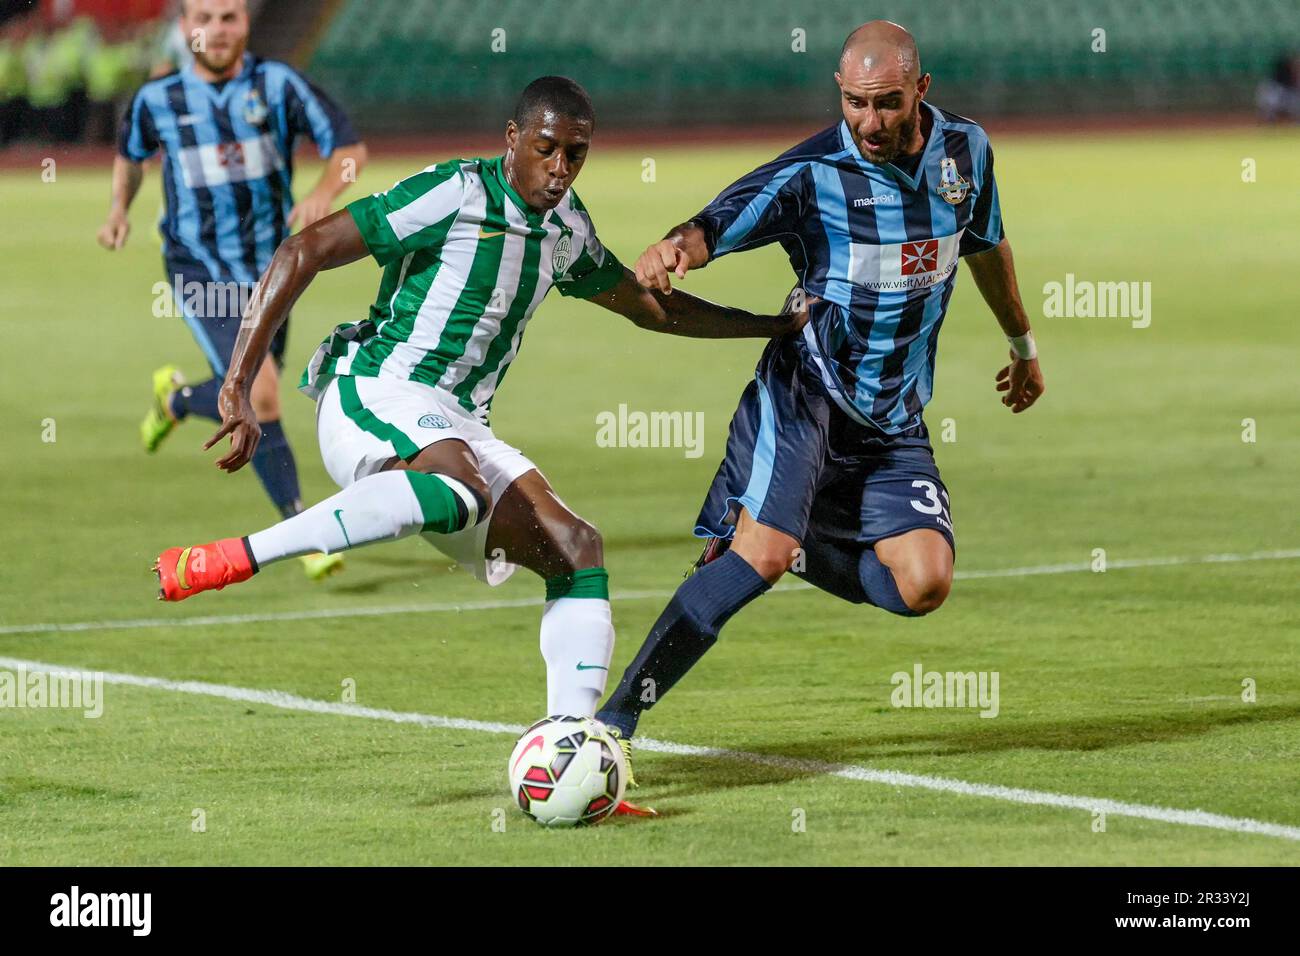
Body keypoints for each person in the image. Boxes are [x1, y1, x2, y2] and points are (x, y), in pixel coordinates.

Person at [151, 78, 808, 812]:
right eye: (547, 148)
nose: (560, 168)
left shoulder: (565, 231)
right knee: (459, 484)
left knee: (575, 547)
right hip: (375, 389)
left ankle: (573, 757)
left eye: (576, 154)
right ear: (513, 139)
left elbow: (648, 306)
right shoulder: (452, 194)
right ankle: (240, 555)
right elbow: (304, 248)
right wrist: (237, 381)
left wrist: (768, 326)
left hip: (458, 422)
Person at [595, 21, 1046, 774]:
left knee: (924, 584)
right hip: (806, 392)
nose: (868, 121)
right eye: (854, 103)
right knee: (758, 560)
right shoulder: (814, 172)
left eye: (887, 103)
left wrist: (1023, 344)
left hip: (893, 417)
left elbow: (985, 243)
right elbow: (717, 221)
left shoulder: (966, 152)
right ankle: (614, 721)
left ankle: (795, 540)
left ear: (921, 91)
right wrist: (676, 247)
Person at [98, 0, 368, 581]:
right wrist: (119, 208)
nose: (216, 30)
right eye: (204, 18)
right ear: (184, 29)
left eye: (228, 17)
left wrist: (325, 191)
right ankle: (306, 532)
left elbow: (349, 154)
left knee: (248, 389)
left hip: (273, 270)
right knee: (263, 395)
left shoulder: (278, 84)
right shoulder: (158, 100)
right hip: (200, 268)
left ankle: (174, 401)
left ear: (246, 23)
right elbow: (131, 154)